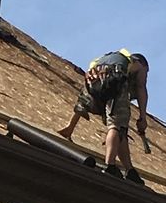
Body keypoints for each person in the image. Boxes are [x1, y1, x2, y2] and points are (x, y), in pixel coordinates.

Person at [59, 49, 150, 179]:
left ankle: (129, 169)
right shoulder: (139, 64)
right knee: (116, 126)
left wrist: (70, 126)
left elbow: (83, 103)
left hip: (94, 81)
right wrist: (143, 117)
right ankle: (110, 166)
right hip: (114, 81)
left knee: (119, 130)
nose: (145, 76)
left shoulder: (107, 59)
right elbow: (141, 87)